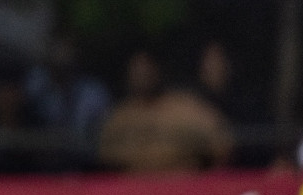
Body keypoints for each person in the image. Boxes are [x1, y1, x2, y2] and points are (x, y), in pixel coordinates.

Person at [97, 49, 232, 173]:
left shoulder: (188, 109)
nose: (143, 74)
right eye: (138, 70)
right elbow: (105, 159)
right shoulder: (120, 117)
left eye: (147, 68)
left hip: (183, 189)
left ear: (158, 69)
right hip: (131, 192)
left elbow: (222, 147)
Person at [22, 34, 110, 170]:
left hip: (85, 165)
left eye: (66, 52)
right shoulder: (36, 86)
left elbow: (103, 134)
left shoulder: (93, 93)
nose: (62, 58)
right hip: (41, 165)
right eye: (57, 52)